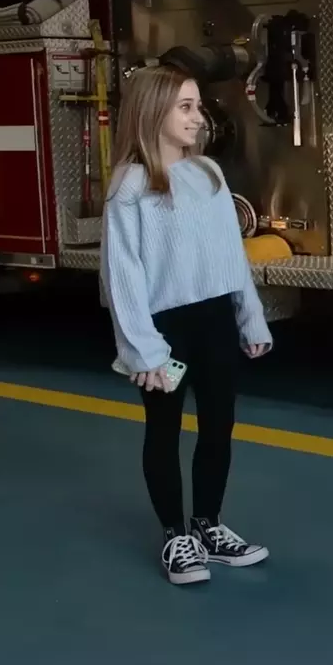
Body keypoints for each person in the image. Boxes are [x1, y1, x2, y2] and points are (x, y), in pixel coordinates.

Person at [100, 64, 273, 586]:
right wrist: (144, 352)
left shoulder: (209, 175)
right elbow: (122, 276)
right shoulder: (131, 185)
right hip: (165, 331)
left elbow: (231, 256)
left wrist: (251, 317)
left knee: (219, 425)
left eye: (197, 106)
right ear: (154, 112)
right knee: (165, 430)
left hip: (216, 319)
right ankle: (176, 535)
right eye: (186, 107)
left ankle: (209, 525)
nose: (199, 118)